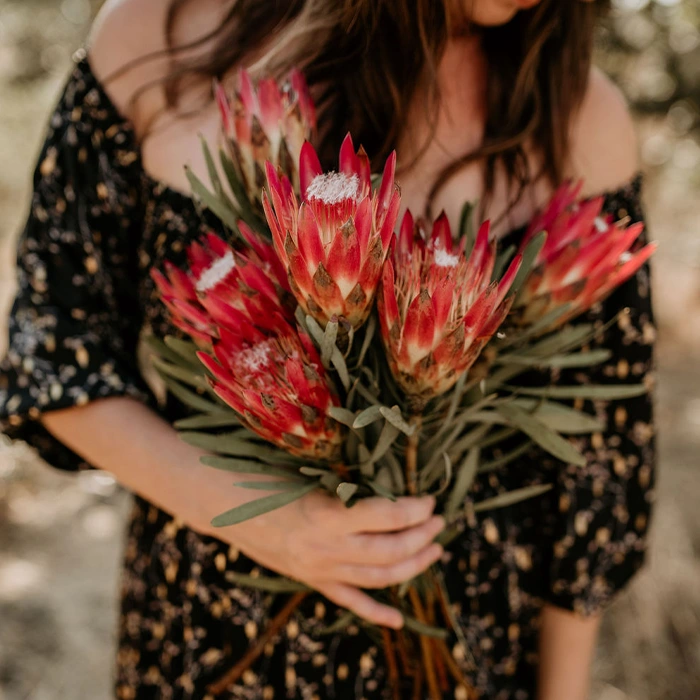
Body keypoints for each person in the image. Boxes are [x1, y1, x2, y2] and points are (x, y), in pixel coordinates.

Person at [0, 0, 656, 698]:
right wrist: (266, 522)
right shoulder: (154, 36)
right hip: (218, 635)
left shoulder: (580, 115)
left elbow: (600, 477)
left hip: (469, 653)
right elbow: (54, 354)